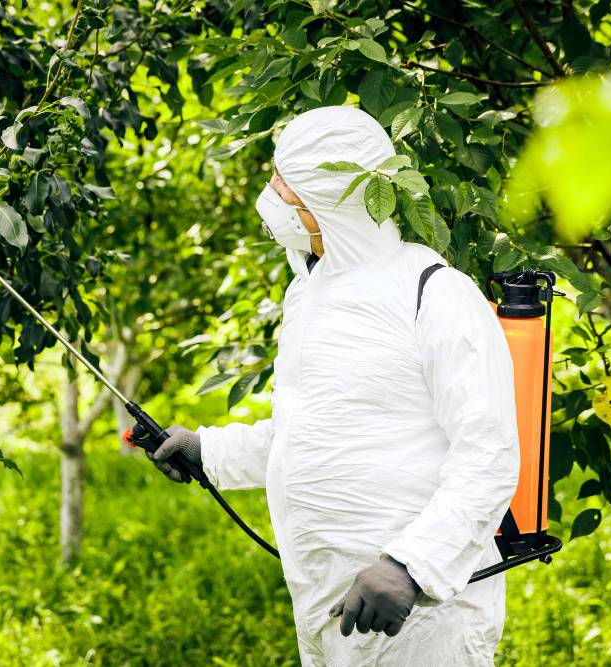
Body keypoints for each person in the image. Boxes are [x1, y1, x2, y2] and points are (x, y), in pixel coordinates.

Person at [149, 105, 521, 666]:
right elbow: (313, 430)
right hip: (327, 604)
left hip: (423, 617)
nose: (271, 203)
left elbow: (489, 456)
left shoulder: (435, 292)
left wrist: (409, 566)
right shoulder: (308, 293)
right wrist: (212, 451)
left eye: (285, 191)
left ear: (333, 203)